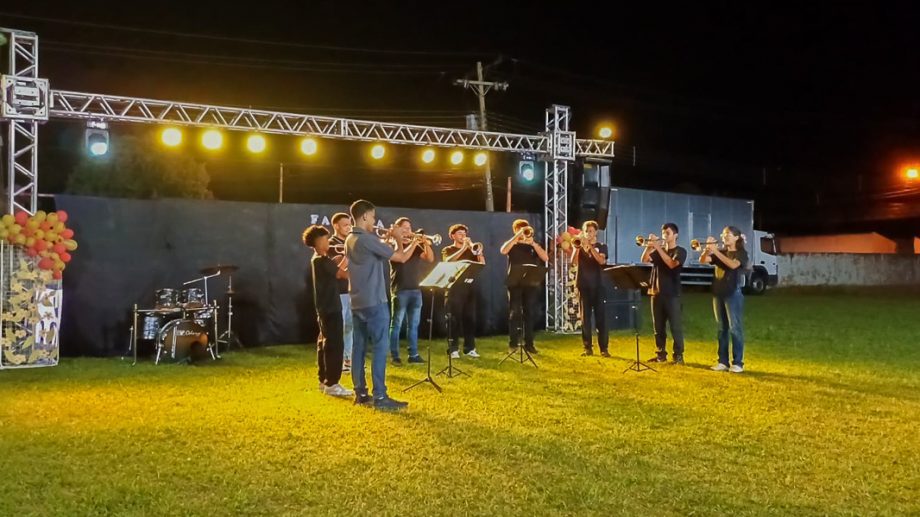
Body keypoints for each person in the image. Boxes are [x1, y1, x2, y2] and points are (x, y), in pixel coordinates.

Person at [345, 200, 418, 410]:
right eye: (374, 217)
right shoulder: (367, 239)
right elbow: (401, 257)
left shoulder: (351, 238)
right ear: (365, 216)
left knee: (358, 347)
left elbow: (376, 254)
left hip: (357, 301)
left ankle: (360, 393)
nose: (375, 221)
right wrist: (398, 239)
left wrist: (387, 240)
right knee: (379, 347)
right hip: (375, 302)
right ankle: (380, 397)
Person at [303, 224, 353, 398]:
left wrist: (343, 258)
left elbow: (336, 270)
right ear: (317, 241)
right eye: (325, 238)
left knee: (324, 344)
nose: (328, 241)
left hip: (325, 307)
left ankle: (324, 380)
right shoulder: (322, 260)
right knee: (335, 345)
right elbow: (344, 274)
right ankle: (332, 383)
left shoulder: (318, 259)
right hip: (331, 307)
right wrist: (350, 255)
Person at [700, 226, 749, 373]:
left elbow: (733, 265)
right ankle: (722, 361)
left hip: (733, 293)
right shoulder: (720, 252)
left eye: (728, 234)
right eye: (723, 234)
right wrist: (707, 250)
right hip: (718, 293)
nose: (725, 236)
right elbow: (703, 260)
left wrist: (715, 251)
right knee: (721, 329)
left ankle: (738, 363)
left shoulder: (741, 253)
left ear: (736, 238)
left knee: (735, 328)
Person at [389, 217, 435, 365]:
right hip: (400, 289)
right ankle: (395, 356)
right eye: (405, 227)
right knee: (396, 324)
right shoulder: (393, 245)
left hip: (415, 289)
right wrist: (415, 242)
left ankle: (413, 355)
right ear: (398, 228)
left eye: (410, 227)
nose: (409, 230)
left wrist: (426, 243)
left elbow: (430, 258)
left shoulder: (414, 246)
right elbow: (402, 258)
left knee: (413, 325)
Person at [500, 218, 549, 355]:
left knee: (529, 313)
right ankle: (513, 343)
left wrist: (533, 243)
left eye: (525, 229)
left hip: (530, 281)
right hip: (515, 282)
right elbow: (503, 251)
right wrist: (517, 237)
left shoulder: (532, 245)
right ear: (515, 230)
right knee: (514, 313)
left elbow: (545, 258)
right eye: (521, 230)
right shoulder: (512, 244)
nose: (524, 232)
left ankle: (529, 344)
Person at [641, 222, 687, 364]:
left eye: (667, 233)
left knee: (675, 327)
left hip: (672, 294)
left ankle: (678, 355)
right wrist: (649, 247)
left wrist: (658, 248)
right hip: (656, 292)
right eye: (663, 233)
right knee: (658, 327)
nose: (664, 236)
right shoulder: (658, 250)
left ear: (675, 235)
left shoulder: (680, 251)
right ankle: (660, 354)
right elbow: (644, 260)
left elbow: (672, 264)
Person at [441, 224, 485, 359]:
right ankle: (453, 349)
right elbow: (448, 261)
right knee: (453, 319)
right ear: (452, 236)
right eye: (459, 233)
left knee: (470, 318)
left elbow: (482, 263)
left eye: (464, 233)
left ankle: (469, 348)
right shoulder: (448, 249)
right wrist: (464, 248)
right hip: (454, 288)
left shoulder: (471, 250)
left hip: (470, 287)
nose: (463, 236)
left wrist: (477, 252)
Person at [570, 220, 609, 357]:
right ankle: (587, 347)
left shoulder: (602, 246)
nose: (588, 234)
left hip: (598, 285)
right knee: (585, 318)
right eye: (586, 231)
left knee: (601, 318)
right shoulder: (579, 246)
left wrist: (591, 248)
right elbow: (573, 262)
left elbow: (601, 261)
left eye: (591, 231)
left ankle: (604, 348)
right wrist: (577, 248)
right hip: (583, 285)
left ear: (596, 232)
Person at [329, 212, 354, 372]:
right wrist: (349, 253)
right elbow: (339, 270)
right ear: (336, 226)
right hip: (339, 292)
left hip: (352, 290)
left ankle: (348, 359)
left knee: (350, 326)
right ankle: (337, 359)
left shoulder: (350, 241)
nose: (349, 228)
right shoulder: (331, 244)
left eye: (350, 224)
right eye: (345, 225)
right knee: (340, 326)